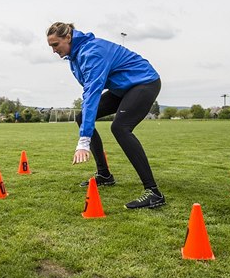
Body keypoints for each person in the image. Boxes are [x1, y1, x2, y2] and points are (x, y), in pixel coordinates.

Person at [46, 22, 166, 210]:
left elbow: (93, 92)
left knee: (120, 127)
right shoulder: (75, 57)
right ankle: (104, 175)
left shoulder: (92, 52)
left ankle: (153, 192)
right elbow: (88, 92)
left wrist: (84, 140)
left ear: (68, 38)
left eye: (55, 45)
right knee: (82, 116)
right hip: (123, 88)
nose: (53, 50)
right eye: (50, 46)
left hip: (144, 82)